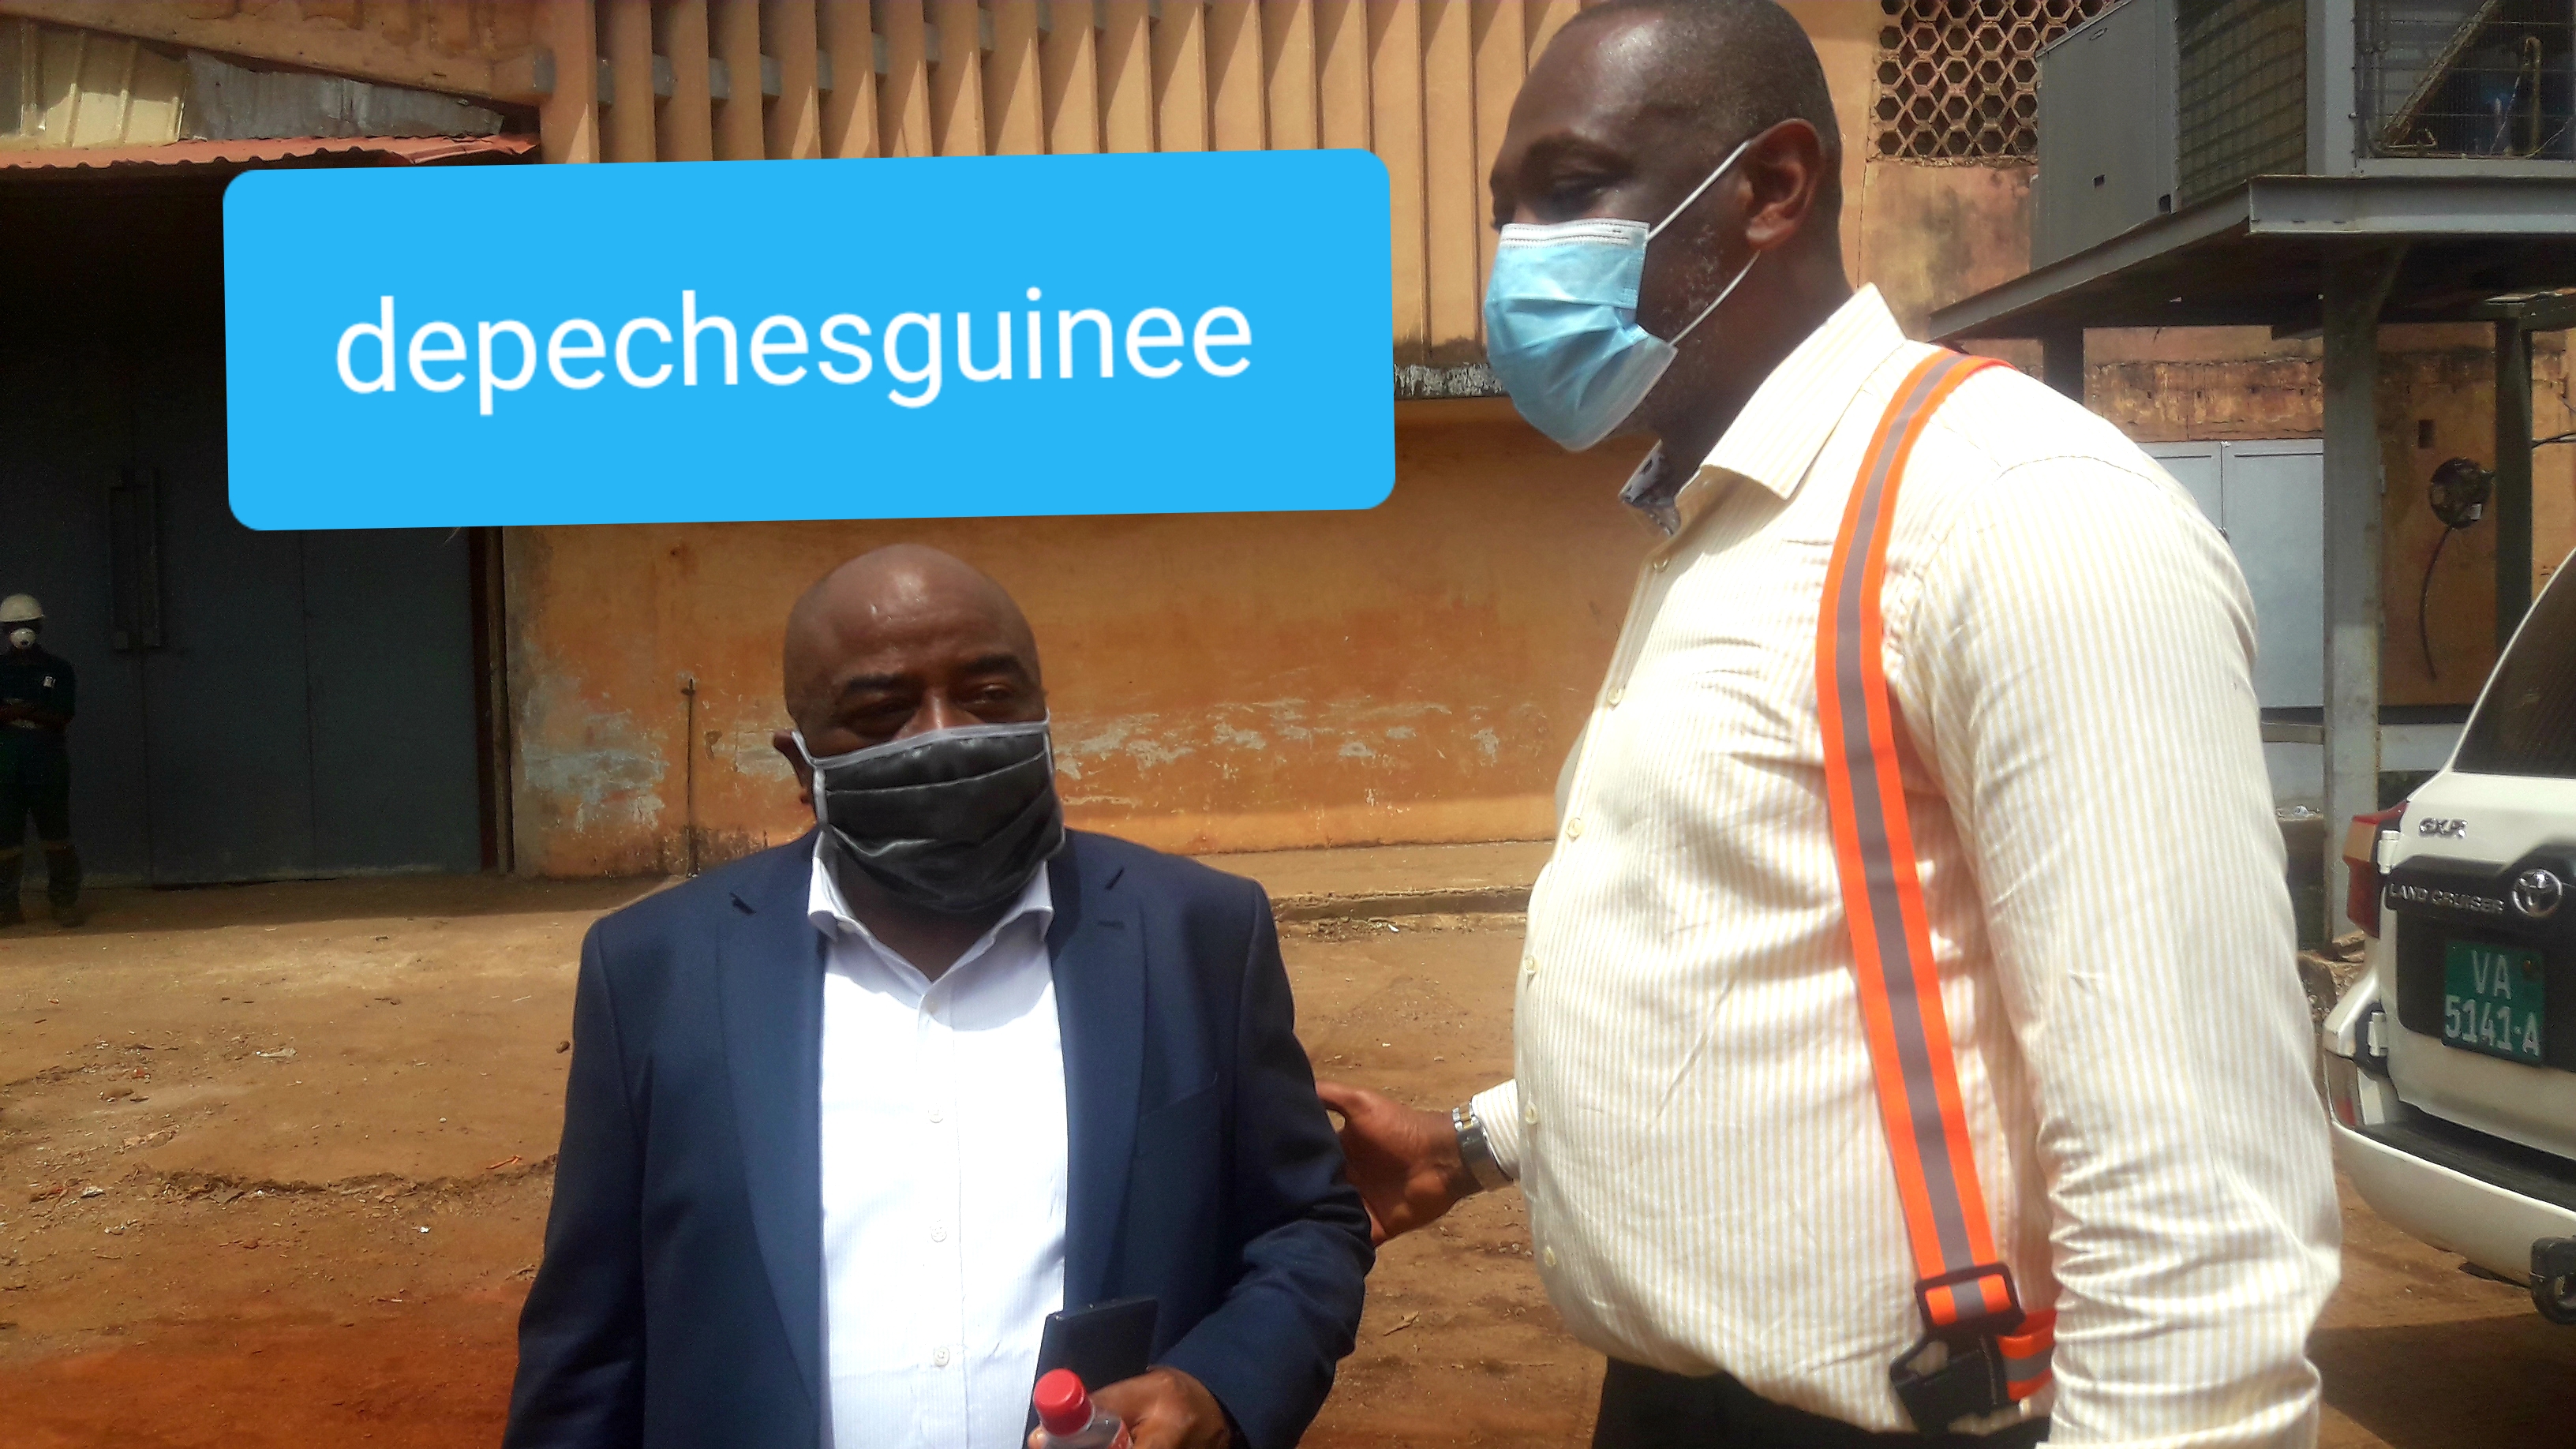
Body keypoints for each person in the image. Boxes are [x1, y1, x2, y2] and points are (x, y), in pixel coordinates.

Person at [1318, 4, 2339, 1447]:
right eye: (1507, 215)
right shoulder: (1729, 522)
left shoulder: (2014, 510)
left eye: (1569, 192)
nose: (1517, 260)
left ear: (1770, 187)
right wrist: (1477, 1142)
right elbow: (1753, 967)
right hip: (1674, 1410)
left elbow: (2195, 1197)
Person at [504, 545, 1370, 1449]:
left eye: (989, 695)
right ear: (801, 765)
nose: (944, 736)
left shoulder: (1197, 934)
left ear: (1043, 713)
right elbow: (590, 1342)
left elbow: (1307, 1223)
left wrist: (1221, 1391)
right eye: (881, 712)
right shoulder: (656, 970)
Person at [0, 593, 80, 929]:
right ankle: (6, 908)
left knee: (56, 835)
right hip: (6, 765)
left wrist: (16, 712)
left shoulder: (58, 669)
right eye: (14, 625)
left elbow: (62, 715)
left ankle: (64, 903)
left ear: (39, 626)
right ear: (5, 630)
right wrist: (31, 711)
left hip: (47, 764)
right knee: (5, 839)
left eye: (28, 624)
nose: (22, 631)